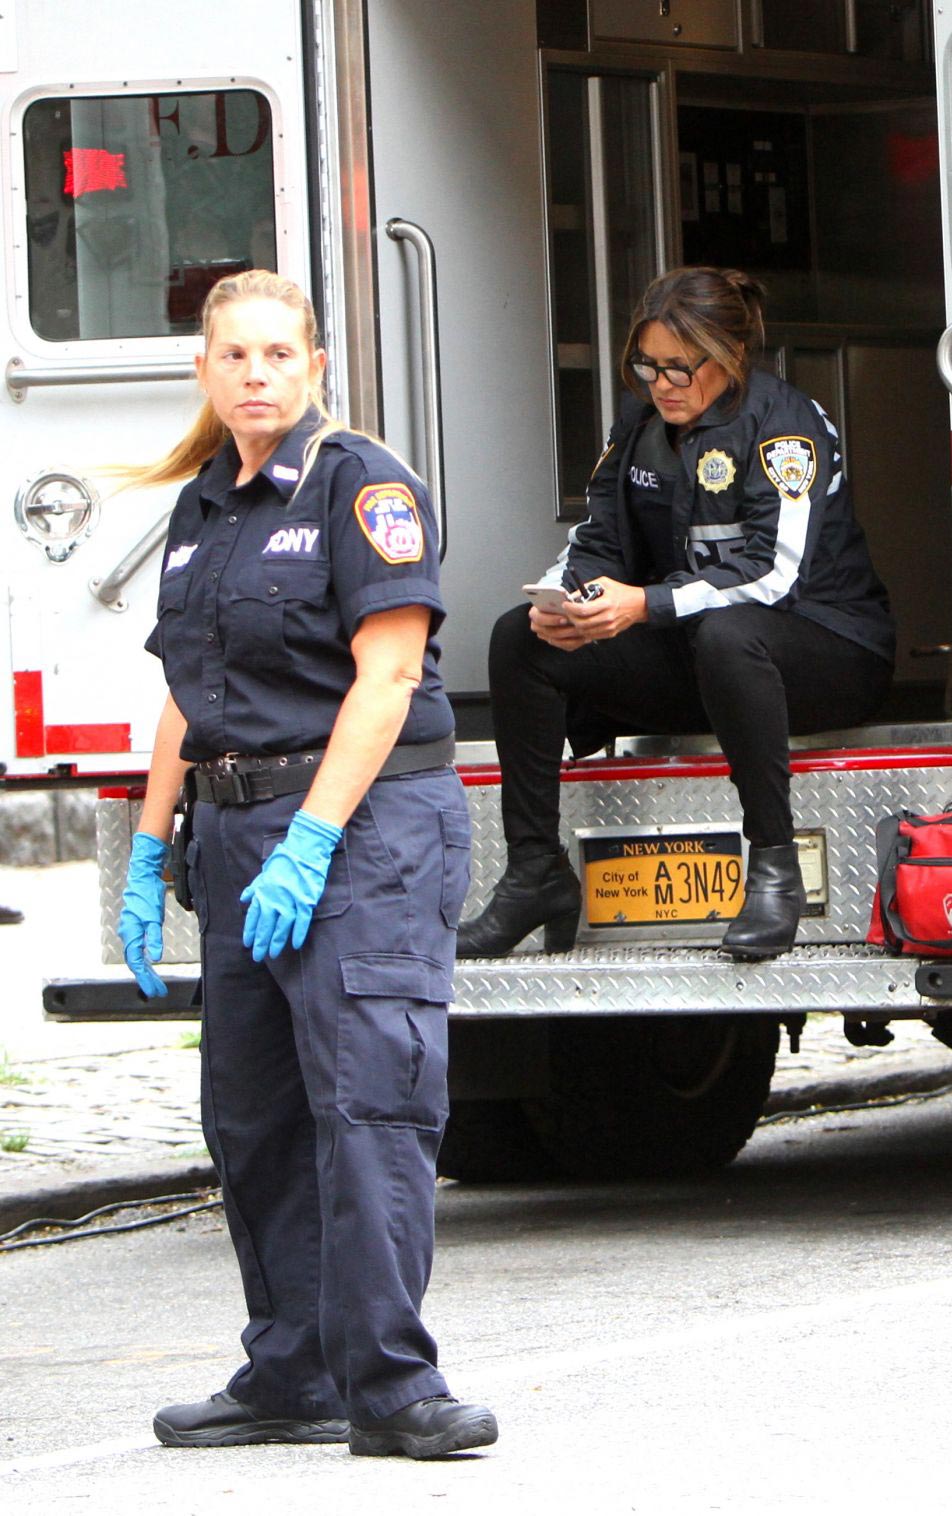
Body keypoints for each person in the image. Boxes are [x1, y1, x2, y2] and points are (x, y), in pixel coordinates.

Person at [116, 270, 496, 1459]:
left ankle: (390, 1383)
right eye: (235, 355)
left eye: (279, 353)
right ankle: (291, 1368)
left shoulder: (363, 485)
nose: (257, 374)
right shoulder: (203, 509)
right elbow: (187, 694)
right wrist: (145, 845)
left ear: (316, 365)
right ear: (205, 370)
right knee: (257, 1113)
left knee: (370, 1098)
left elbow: (387, 679)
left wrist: (316, 841)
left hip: (364, 830)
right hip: (234, 837)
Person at [459, 265, 894, 962]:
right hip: (707, 655)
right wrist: (566, 601)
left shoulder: (786, 426)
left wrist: (645, 605)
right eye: (647, 366)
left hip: (828, 652)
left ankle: (774, 868)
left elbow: (773, 574)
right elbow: (599, 537)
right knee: (523, 639)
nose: (661, 384)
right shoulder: (638, 424)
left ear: (728, 357)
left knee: (729, 634)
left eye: (679, 368)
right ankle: (536, 871)